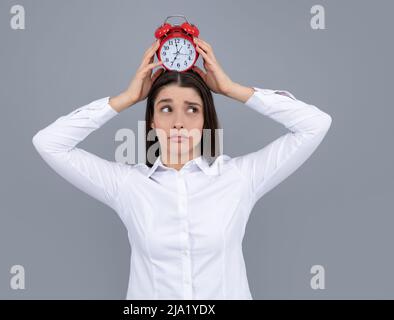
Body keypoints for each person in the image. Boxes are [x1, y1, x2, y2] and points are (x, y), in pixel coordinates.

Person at [32, 36, 332, 299]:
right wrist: (127, 98)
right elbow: (49, 143)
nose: (178, 122)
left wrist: (230, 88)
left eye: (192, 109)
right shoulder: (127, 185)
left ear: (205, 119)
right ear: (152, 121)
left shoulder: (240, 178)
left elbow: (314, 125)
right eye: (166, 108)